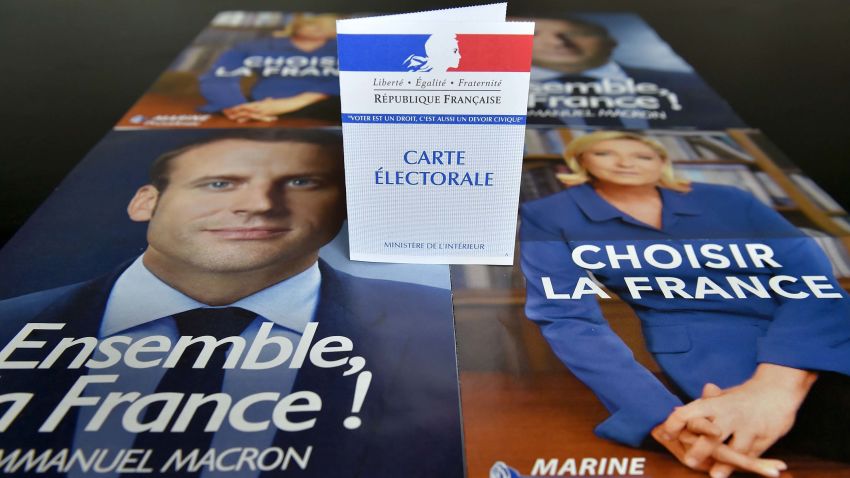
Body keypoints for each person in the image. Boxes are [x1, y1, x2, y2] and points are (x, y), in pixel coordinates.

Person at [0, 129, 463, 478]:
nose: (260, 204)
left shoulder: (442, 329)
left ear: (342, 207)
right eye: (219, 184)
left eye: (301, 182)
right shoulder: (9, 327)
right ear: (146, 202)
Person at [519, 130, 850, 477]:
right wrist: (660, 419)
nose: (626, 162)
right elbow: (567, 320)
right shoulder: (549, 214)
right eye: (605, 153)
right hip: (710, 355)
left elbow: (812, 280)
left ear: (663, 163)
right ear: (580, 159)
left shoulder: (730, 199)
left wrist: (776, 386)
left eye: (643, 156)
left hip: (815, 325)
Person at [526, 17, 745, 129]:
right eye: (533, 34)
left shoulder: (689, 84)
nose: (558, 41)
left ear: (610, 42)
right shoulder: (498, 92)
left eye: (577, 33)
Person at [198, 15, 340, 123]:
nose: (315, 26)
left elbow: (354, 82)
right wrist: (235, 105)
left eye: (325, 23)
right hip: (257, 108)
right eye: (310, 22)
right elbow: (219, 77)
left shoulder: (347, 46)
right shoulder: (255, 46)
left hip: (327, 109)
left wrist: (297, 101)